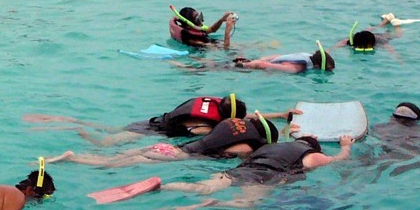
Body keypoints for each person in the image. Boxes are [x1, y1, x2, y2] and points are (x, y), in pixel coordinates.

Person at [150, 135, 354, 210]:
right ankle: (208, 204)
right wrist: (345, 146)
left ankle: (163, 186)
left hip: (241, 169)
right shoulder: (310, 154)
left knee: (202, 186)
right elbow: (339, 160)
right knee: (246, 206)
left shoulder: (273, 146)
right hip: (262, 176)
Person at [45, 110, 301, 168]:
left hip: (169, 147)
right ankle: (74, 158)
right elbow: (244, 154)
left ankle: (73, 155)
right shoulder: (246, 144)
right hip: (175, 154)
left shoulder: (230, 123)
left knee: (117, 157)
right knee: (112, 164)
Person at [24, 93, 252, 147]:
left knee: (110, 129)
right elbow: (195, 133)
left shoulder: (210, 104)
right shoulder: (208, 122)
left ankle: (63, 119)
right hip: (155, 131)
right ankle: (70, 128)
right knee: (105, 144)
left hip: (154, 120)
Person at [362, 102, 420, 180]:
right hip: (403, 154)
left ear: (392, 117)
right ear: (418, 120)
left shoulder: (379, 127)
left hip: (381, 152)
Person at [232, 44, 335, 73]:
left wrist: (260, 59)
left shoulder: (306, 55)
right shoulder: (298, 67)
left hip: (257, 60)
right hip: (243, 67)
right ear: (316, 66)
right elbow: (263, 65)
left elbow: (277, 56)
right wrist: (244, 65)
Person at [169, 6, 237, 49]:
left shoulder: (195, 29)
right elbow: (226, 48)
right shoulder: (193, 40)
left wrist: (221, 20)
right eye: (197, 19)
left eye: (200, 16)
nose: (201, 20)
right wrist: (227, 31)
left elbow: (212, 29)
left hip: (216, 44)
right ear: (188, 25)